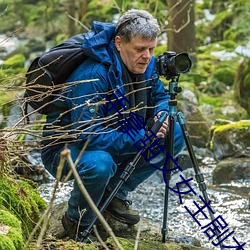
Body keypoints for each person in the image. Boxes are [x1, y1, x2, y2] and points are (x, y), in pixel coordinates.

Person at [41, 9, 186, 241]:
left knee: (175, 132)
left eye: (152, 49)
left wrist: (161, 114)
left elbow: (159, 96)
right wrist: (143, 137)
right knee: (100, 164)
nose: (147, 56)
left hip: (117, 134)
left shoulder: (145, 64)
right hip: (67, 149)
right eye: (140, 49)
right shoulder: (92, 75)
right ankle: (76, 221)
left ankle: (115, 193)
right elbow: (87, 135)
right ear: (119, 43)